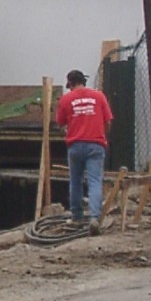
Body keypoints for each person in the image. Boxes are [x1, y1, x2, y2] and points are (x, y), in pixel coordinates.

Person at [55, 68, 114, 231]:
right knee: (95, 181)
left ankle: (76, 217)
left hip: (75, 145)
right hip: (96, 144)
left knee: (75, 181)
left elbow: (60, 123)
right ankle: (95, 217)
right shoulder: (99, 96)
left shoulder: (66, 99)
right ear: (84, 81)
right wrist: (102, 134)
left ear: (70, 84)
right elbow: (108, 121)